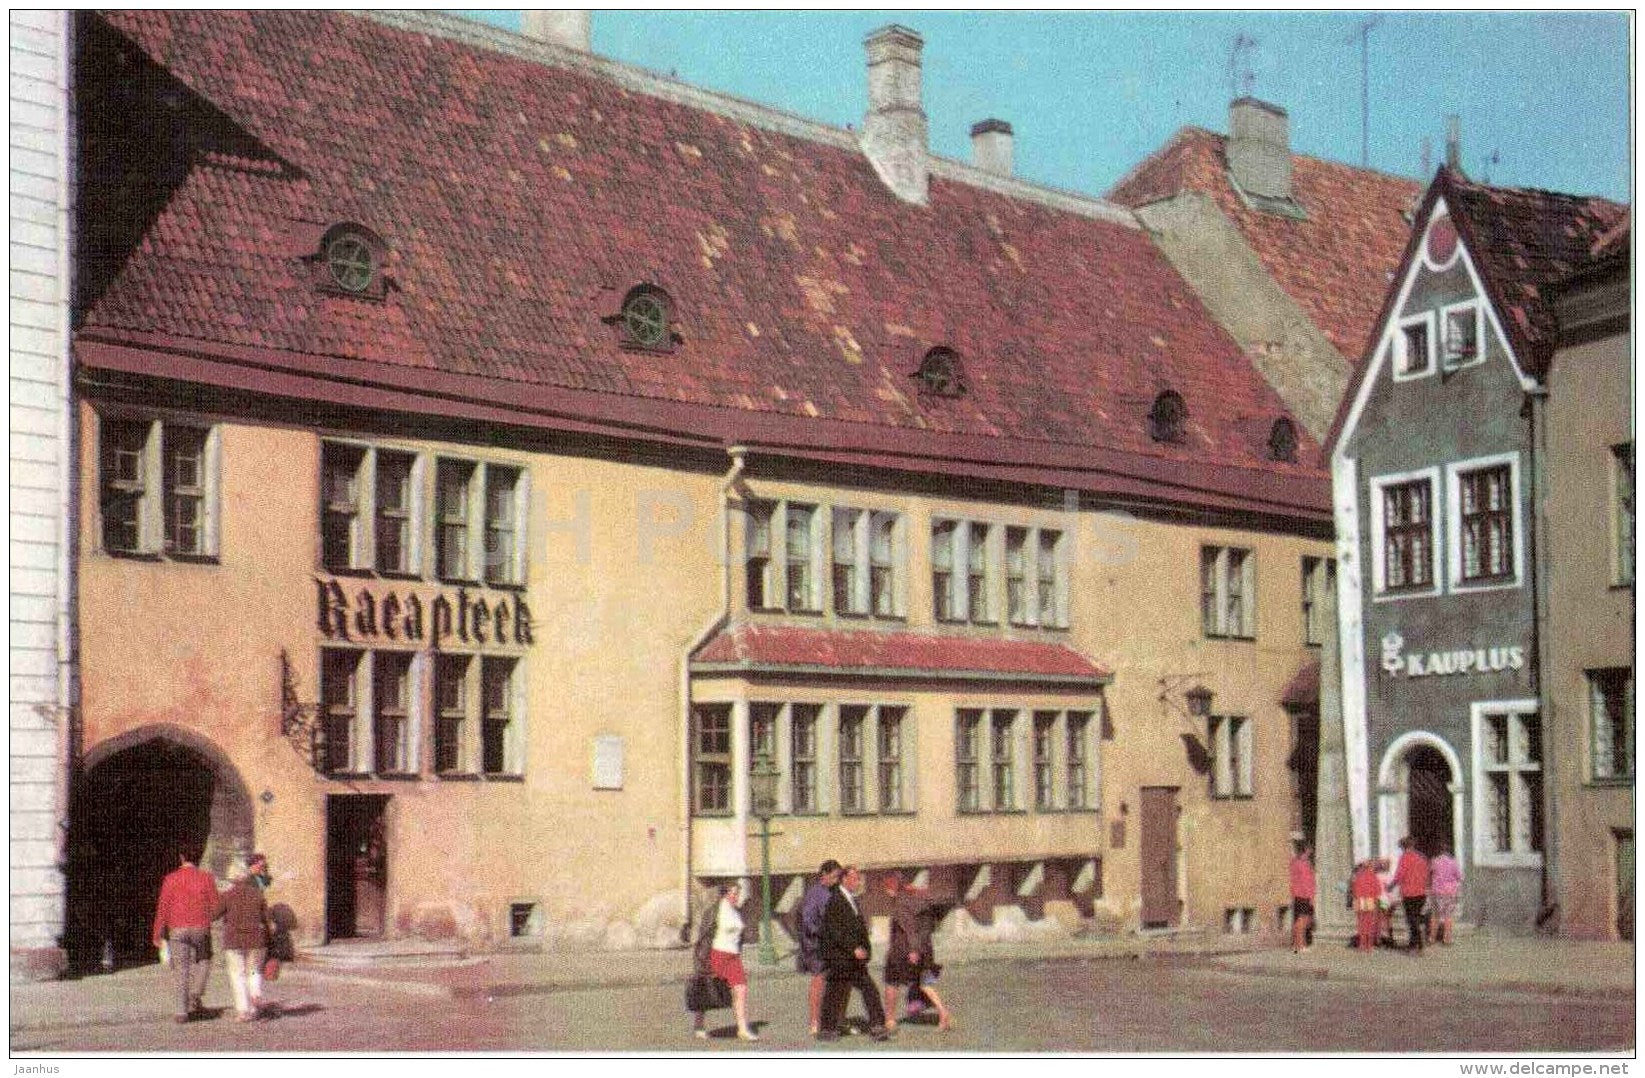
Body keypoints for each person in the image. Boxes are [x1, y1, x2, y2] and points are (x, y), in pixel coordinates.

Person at [152, 844, 224, 1023]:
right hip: (201, 927)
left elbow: (163, 908)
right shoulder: (206, 878)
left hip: (177, 928)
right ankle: (196, 993)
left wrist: (158, 933)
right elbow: (216, 906)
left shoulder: (170, 879)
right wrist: (208, 918)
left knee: (181, 969)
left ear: (181, 858)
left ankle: (181, 1011)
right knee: (204, 959)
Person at [817, 865, 889, 1042]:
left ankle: (878, 1025)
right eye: (855, 878)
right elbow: (835, 931)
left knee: (869, 989)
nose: (858, 882)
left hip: (853, 960)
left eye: (858, 878)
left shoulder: (850, 898)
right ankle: (827, 1029)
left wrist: (864, 948)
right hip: (840, 958)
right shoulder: (835, 900)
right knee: (835, 993)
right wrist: (853, 948)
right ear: (844, 879)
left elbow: (857, 928)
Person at [880, 872, 951, 1033]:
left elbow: (909, 927)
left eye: (887, 887)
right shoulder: (918, 899)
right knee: (924, 983)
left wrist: (913, 950)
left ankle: (890, 1020)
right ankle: (943, 1012)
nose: (886, 891)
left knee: (892, 982)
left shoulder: (900, 902)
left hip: (903, 951)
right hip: (924, 949)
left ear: (892, 886)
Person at [691, 882, 758, 1041]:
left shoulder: (737, 911)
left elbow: (740, 934)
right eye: (733, 893)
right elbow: (704, 935)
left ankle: (742, 1029)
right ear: (724, 893)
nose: (736, 897)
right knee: (707, 989)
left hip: (733, 957)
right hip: (717, 954)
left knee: (741, 990)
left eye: (737, 894)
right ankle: (699, 1025)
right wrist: (702, 959)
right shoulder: (715, 911)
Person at [221, 853, 273, 1022]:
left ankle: (244, 1010)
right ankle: (256, 997)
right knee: (254, 971)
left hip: (234, 939)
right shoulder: (258, 894)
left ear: (232, 878)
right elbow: (267, 919)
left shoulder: (227, 895)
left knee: (238, 974)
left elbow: (214, 914)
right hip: (257, 938)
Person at [798, 859, 843, 1036]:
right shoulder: (814, 894)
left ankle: (835, 1020)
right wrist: (824, 934)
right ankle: (815, 1022)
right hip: (817, 945)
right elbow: (808, 921)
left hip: (834, 944)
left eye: (838, 877)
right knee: (819, 981)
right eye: (834, 876)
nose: (837, 880)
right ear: (824, 874)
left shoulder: (835, 891)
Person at [1389, 836, 1429, 953]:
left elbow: (1399, 875)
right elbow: (1426, 874)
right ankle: (1413, 943)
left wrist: (1391, 886)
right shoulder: (1422, 858)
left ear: (1403, 847)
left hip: (1409, 893)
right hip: (1421, 893)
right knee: (1415, 917)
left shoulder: (1404, 858)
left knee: (1411, 919)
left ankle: (1418, 944)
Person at [1428, 845, 1463, 945]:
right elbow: (1459, 877)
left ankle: (1432, 938)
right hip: (1449, 892)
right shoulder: (1453, 862)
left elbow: (1430, 874)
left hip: (1436, 891)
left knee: (1435, 915)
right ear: (1449, 851)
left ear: (1439, 851)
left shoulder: (1434, 861)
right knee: (1448, 916)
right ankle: (1446, 939)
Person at [1350, 859, 1382, 953]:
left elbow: (1354, 889)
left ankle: (1362, 944)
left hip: (1359, 900)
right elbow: (1377, 890)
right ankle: (1369, 945)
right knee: (1370, 923)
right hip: (1370, 900)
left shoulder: (1358, 876)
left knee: (1361, 923)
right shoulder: (1373, 876)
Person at [1289, 841, 1316, 954]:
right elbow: (1306, 881)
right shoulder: (1304, 863)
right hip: (1304, 895)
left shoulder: (1294, 862)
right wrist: (1311, 897)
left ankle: (1296, 945)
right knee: (1303, 921)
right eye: (1309, 849)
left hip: (1297, 894)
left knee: (1298, 921)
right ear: (1306, 850)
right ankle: (1301, 945)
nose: (1311, 851)